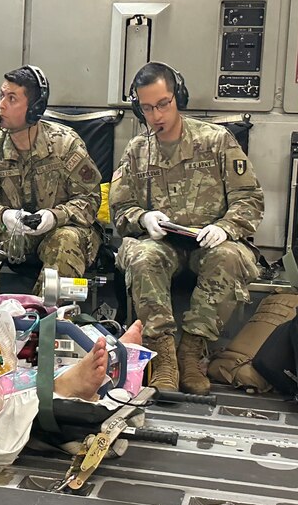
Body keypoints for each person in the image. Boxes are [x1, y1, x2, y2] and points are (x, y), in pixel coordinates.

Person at [109, 62, 264, 395]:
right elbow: (120, 211)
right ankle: (163, 355)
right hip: (163, 244)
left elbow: (249, 198)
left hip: (209, 242)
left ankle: (191, 352)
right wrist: (143, 218)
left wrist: (226, 226)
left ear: (178, 97)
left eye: (163, 103)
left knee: (229, 257)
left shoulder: (216, 140)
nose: (156, 115)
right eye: (147, 108)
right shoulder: (137, 151)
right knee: (142, 255)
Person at [0, 65, 102, 292]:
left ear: (35, 109)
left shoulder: (65, 144)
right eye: (1, 96)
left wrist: (54, 216)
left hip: (61, 230)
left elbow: (89, 201)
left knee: (65, 239)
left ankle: (45, 318)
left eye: (12, 99)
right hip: (14, 233)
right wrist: (4, 216)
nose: (1, 105)